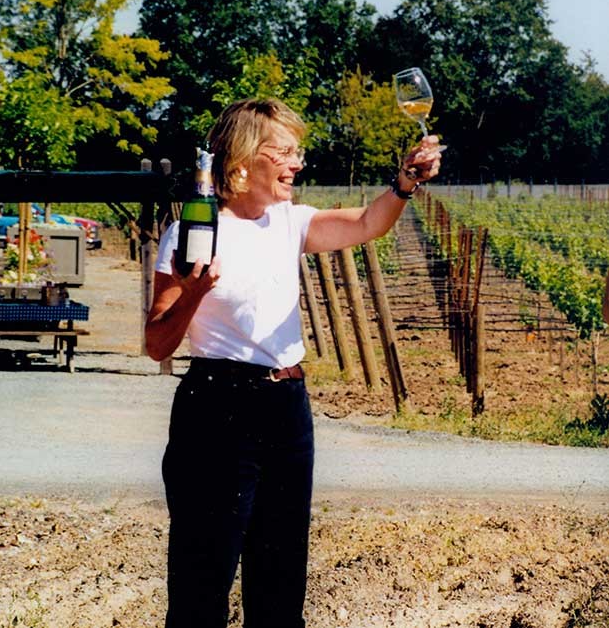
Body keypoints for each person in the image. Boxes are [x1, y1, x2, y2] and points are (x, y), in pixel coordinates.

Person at [145, 98, 441, 628]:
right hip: (218, 410)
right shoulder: (194, 230)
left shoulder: (290, 222)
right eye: (283, 152)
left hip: (287, 409)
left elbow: (369, 223)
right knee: (202, 583)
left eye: (296, 151)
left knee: (281, 581)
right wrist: (192, 293)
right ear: (240, 161)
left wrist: (404, 184)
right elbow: (157, 343)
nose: (297, 163)